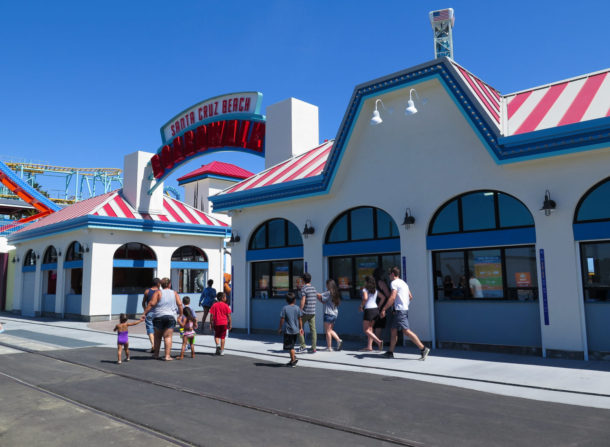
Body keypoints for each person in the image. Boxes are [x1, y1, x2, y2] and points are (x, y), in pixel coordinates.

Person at [379, 267, 430, 360]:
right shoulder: (403, 283)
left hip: (400, 311)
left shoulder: (394, 283)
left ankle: (423, 348)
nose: (388, 276)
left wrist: (384, 309)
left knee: (406, 331)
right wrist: (404, 304)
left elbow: (393, 297)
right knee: (393, 330)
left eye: (389, 274)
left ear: (393, 274)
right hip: (402, 310)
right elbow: (410, 296)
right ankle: (390, 352)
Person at [142, 277, 183, 361]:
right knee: (168, 337)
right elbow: (180, 304)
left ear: (161, 285)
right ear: (169, 284)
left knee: (157, 337)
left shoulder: (158, 292)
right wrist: (181, 315)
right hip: (171, 317)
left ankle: (156, 354)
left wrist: (144, 313)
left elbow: (151, 304)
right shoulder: (174, 293)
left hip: (158, 316)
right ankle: (167, 356)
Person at [278, 292, 304, 367]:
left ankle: (293, 360)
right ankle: (292, 359)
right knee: (291, 346)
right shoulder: (297, 308)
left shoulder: (285, 308)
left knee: (291, 347)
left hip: (288, 331)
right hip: (296, 331)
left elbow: (282, 319)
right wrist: (301, 328)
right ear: (295, 300)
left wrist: (280, 328)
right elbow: (300, 319)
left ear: (286, 300)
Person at [316, 279, 342, 351]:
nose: (326, 286)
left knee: (327, 331)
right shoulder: (335, 293)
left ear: (329, 285)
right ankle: (338, 341)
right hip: (334, 313)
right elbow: (324, 301)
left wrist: (314, 293)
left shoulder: (328, 292)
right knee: (330, 330)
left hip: (328, 313)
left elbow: (319, 295)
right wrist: (319, 298)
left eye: (327, 284)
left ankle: (330, 346)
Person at [359, 275, 383, 351]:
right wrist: (379, 306)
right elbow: (383, 297)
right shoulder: (375, 290)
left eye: (365, 281)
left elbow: (365, 298)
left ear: (367, 282)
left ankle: (379, 342)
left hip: (368, 310)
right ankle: (369, 346)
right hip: (375, 310)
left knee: (366, 330)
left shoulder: (365, 289)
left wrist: (361, 306)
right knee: (370, 328)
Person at [297, 272, 318, 353]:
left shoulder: (304, 288)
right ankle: (314, 347)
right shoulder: (314, 288)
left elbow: (303, 300)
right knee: (313, 330)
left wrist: (300, 310)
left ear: (303, 280)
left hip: (305, 312)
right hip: (313, 312)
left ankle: (303, 346)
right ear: (310, 280)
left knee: (299, 327)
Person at [142, 278, 161, 352]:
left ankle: (153, 345)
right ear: (158, 284)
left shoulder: (147, 291)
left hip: (149, 312)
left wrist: (145, 311)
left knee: (150, 329)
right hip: (158, 313)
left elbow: (143, 302)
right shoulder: (160, 292)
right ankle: (156, 346)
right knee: (157, 330)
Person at [373, 267, 391, 346]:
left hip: (371, 306)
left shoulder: (372, 283)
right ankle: (377, 341)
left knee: (372, 324)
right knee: (379, 325)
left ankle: (372, 341)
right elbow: (387, 295)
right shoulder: (381, 283)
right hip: (380, 305)